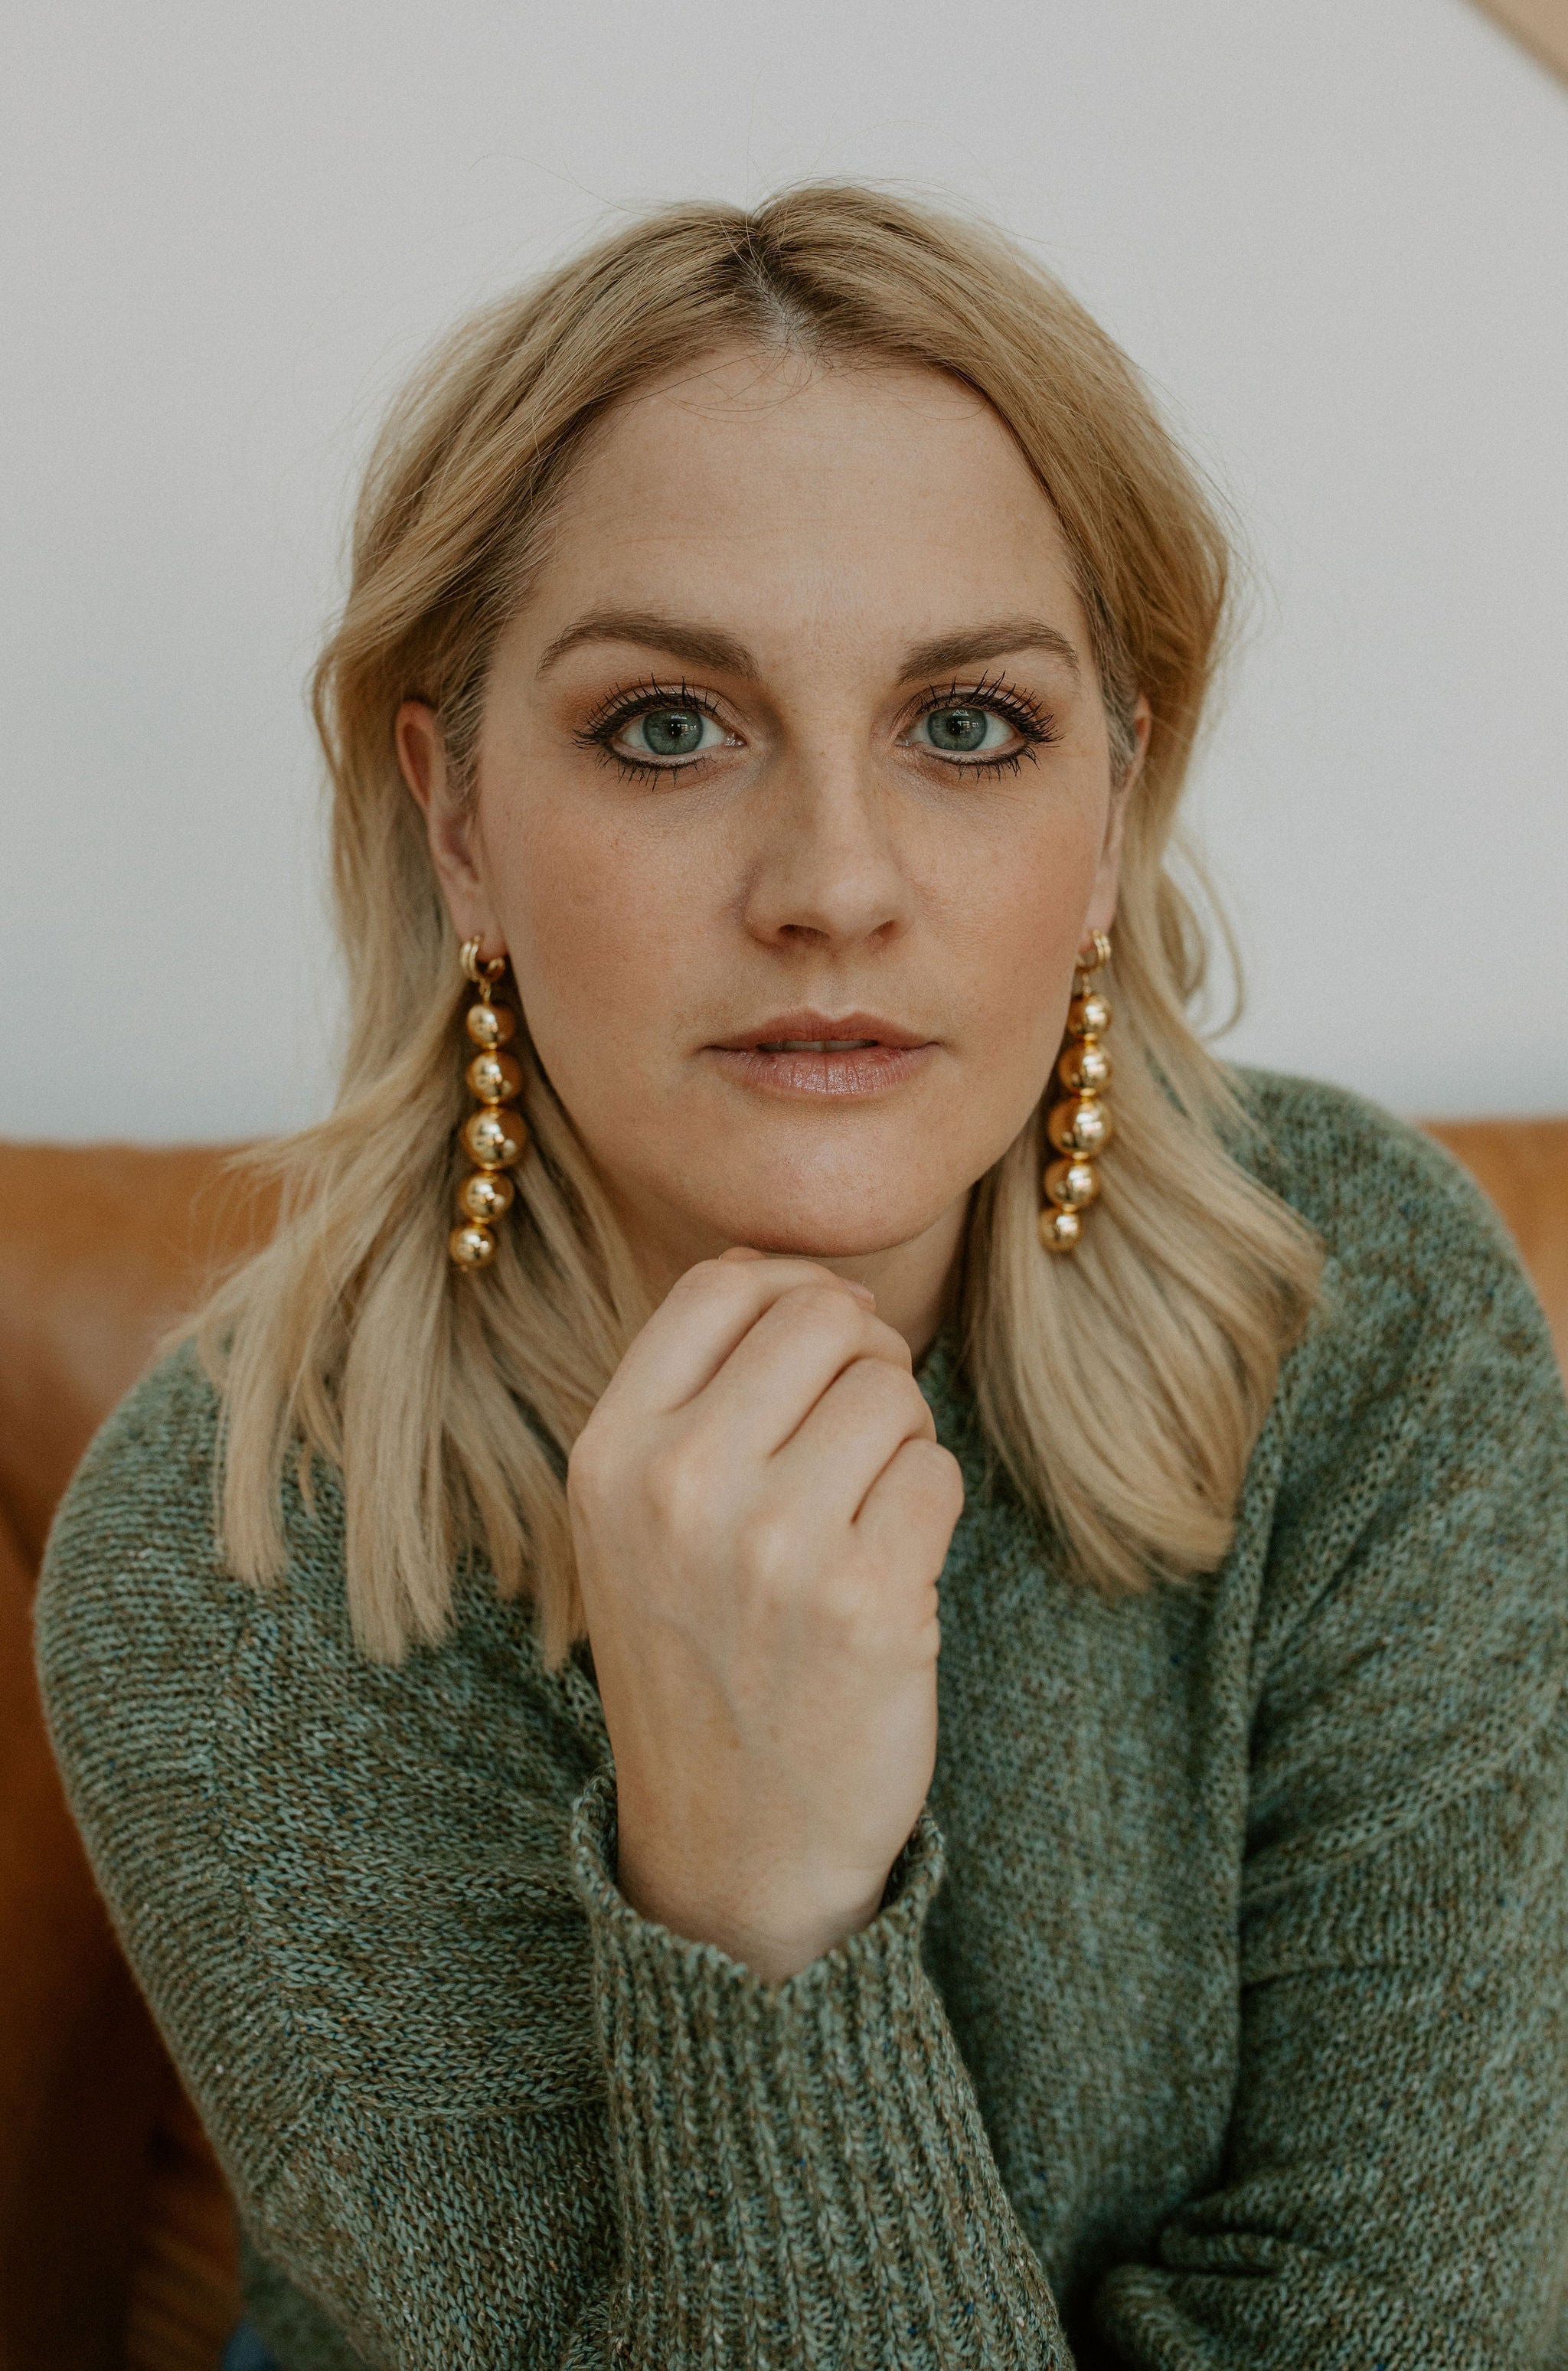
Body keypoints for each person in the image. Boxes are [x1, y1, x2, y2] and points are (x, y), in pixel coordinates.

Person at [34, 184, 1568, 2371]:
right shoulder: (235, 1550)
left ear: (1118, 802)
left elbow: (1416, 2324)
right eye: (671, 724)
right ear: (456, 818)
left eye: (971, 725)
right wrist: (760, 1921)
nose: (836, 883)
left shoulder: (1368, 1309)